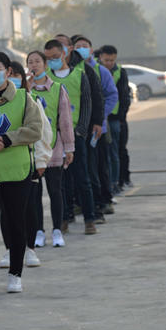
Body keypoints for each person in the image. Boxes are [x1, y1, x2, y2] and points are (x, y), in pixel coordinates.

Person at [0, 51, 42, 294]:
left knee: (17, 224)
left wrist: (7, 139)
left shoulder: (24, 99)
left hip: (17, 172)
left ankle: (15, 274)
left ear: (8, 71)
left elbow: (35, 130)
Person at [44, 39, 97, 234]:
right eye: (48, 58)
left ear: (64, 54)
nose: (52, 61)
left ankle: (89, 219)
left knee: (82, 178)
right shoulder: (46, 78)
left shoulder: (79, 75)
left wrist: (81, 131)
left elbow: (87, 104)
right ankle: (64, 218)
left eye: (55, 57)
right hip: (54, 139)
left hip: (76, 136)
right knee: (61, 183)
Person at [27, 50, 74, 247]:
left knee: (55, 191)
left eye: (37, 61)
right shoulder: (24, 91)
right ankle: (39, 231)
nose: (34, 65)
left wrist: (69, 148)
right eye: (30, 62)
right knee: (34, 194)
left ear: (45, 65)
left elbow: (65, 121)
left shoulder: (57, 89)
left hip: (54, 148)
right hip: (32, 151)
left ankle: (57, 230)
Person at [73, 36, 118, 217]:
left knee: (99, 167)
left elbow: (111, 95)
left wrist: (99, 116)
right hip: (79, 128)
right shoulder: (70, 70)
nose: (81, 49)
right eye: (78, 46)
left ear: (91, 50)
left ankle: (104, 201)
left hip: (98, 129)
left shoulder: (100, 71)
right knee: (82, 169)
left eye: (85, 46)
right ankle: (83, 203)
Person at [97, 45, 131, 193]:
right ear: (100, 58)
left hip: (115, 119)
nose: (109, 63)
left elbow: (124, 96)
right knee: (103, 154)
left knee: (116, 151)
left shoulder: (120, 72)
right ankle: (106, 184)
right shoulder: (95, 70)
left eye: (112, 60)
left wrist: (121, 116)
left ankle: (117, 182)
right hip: (100, 118)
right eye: (106, 60)